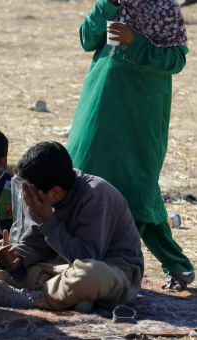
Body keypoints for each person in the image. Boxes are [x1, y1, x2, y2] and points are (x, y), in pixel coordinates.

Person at [65, 0, 194, 290]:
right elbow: (87, 39)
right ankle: (82, 257)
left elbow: (175, 60)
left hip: (139, 112)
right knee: (81, 173)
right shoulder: (110, 4)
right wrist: (106, 7)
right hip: (98, 104)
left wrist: (134, 42)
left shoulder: (164, 9)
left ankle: (158, 264)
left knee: (136, 188)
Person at [0, 142, 144, 311]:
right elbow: (36, 244)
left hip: (111, 271)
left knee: (89, 275)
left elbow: (86, 257)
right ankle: (66, 295)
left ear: (55, 192)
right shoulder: (39, 193)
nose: (27, 198)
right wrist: (16, 260)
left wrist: (48, 220)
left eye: (30, 193)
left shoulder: (96, 195)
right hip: (57, 264)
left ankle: (31, 297)